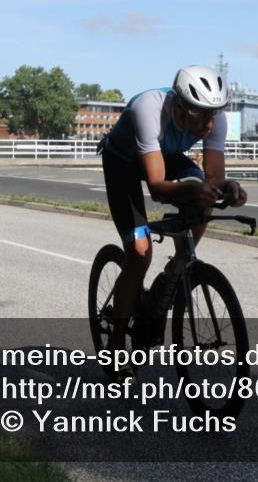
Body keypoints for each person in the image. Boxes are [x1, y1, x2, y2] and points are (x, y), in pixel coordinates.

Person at [99, 65, 247, 379]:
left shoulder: (212, 119)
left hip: (164, 155)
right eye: (201, 117)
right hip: (123, 163)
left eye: (213, 115)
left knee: (204, 197)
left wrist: (227, 188)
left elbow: (214, 178)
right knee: (139, 253)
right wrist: (192, 189)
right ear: (180, 107)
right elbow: (156, 186)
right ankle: (115, 343)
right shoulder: (147, 109)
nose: (209, 124)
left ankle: (175, 271)